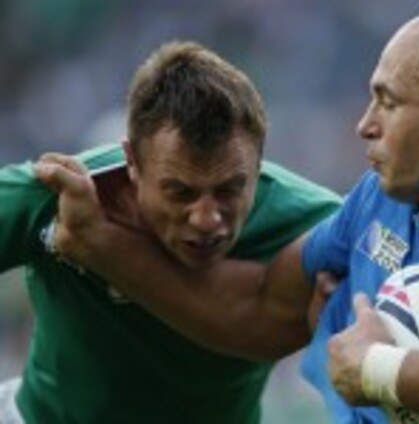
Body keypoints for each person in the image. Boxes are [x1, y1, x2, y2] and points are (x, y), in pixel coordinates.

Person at [38, 6, 419, 423]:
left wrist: (381, 370)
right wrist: (105, 247)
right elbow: (259, 305)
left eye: (389, 101)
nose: (365, 123)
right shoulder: (381, 198)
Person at [0, 40, 341, 423]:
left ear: (260, 159)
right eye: (180, 192)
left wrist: (104, 246)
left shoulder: (315, 227)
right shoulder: (61, 194)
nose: (206, 219)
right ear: (132, 162)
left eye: (229, 190)